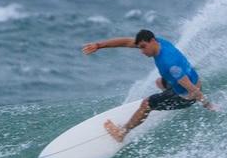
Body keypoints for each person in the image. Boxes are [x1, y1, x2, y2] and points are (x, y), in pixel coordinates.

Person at [82, 29, 213, 142]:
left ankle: (121, 134)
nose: (142, 52)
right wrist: (99, 45)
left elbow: (187, 84)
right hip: (185, 84)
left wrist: (206, 104)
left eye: (144, 47)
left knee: (146, 104)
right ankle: (167, 99)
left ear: (153, 41)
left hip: (186, 97)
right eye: (140, 48)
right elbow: (127, 42)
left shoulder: (168, 62)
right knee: (159, 81)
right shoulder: (160, 43)